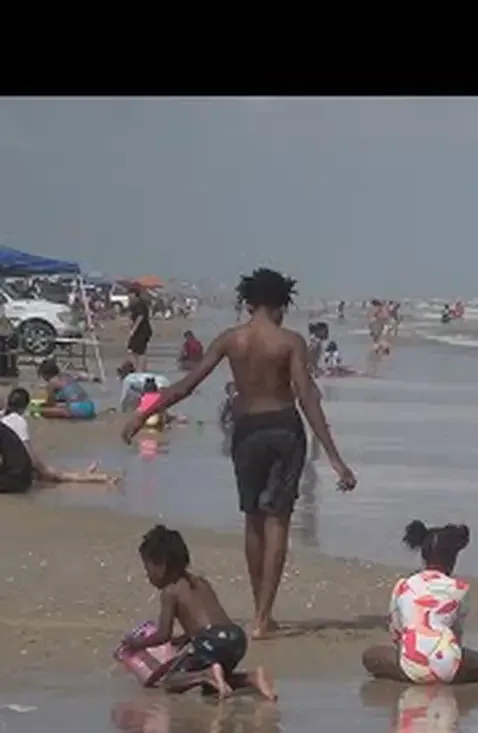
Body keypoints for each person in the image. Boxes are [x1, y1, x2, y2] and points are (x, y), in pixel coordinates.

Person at [121, 267, 358, 640]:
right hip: (283, 427)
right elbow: (307, 397)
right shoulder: (290, 341)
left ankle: (258, 610)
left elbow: (186, 385)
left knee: (252, 518)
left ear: (248, 303)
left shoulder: (231, 340)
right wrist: (334, 458)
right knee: (277, 520)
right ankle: (263, 617)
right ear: (280, 304)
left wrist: (142, 415)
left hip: (247, 431)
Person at [361, 521, 478, 692]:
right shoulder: (460, 589)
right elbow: (456, 633)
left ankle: (416, 673)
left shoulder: (404, 585)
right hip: (448, 665)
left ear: (423, 556)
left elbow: (397, 630)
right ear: (454, 558)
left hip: (412, 664)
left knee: (370, 656)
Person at [119, 525, 276, 701]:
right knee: (212, 687)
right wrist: (186, 638)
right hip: (236, 637)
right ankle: (252, 678)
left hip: (212, 640)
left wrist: (137, 644)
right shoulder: (200, 581)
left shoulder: (170, 591)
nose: (148, 577)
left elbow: (163, 634)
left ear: (161, 566)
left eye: (148, 569)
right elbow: (207, 619)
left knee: (171, 681)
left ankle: (206, 674)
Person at [2, 388, 118, 484]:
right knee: (58, 475)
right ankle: (100, 478)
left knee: (55, 474)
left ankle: (87, 475)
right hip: (13, 470)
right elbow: (29, 454)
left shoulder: (3, 416)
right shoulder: (18, 421)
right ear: (25, 406)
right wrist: (44, 470)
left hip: (6, 465)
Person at [127, 288, 153, 371]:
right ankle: (141, 369)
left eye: (130, 294)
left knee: (138, 351)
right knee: (134, 350)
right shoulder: (133, 304)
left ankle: (140, 370)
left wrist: (133, 330)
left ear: (135, 294)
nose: (129, 296)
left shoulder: (140, 303)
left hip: (143, 331)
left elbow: (140, 317)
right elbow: (133, 318)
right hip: (141, 331)